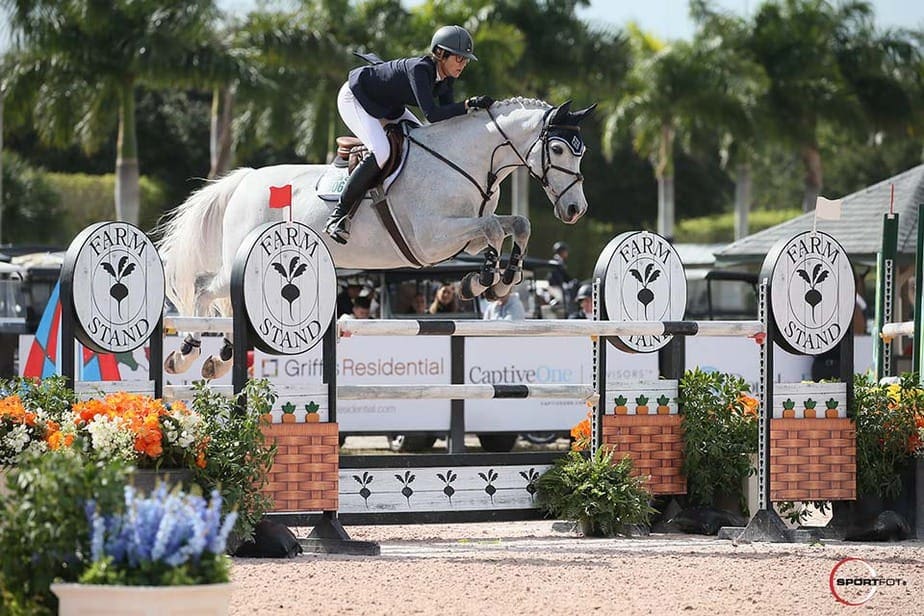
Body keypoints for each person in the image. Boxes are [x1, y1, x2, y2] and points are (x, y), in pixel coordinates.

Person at [324, 25, 494, 244]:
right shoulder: (421, 69)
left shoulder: (447, 78)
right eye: (459, 58)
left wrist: (477, 117)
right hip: (357, 97)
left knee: (423, 143)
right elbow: (432, 115)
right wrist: (469, 104)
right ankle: (339, 216)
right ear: (441, 54)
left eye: (466, 60)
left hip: (387, 105)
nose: (463, 64)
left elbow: (447, 119)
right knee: (382, 151)